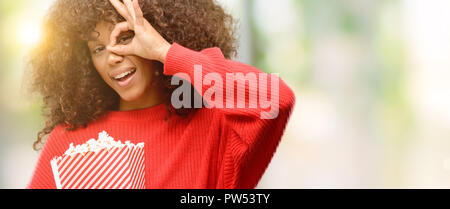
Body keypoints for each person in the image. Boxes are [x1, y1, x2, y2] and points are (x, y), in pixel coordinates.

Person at [26, 0, 296, 189]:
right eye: (97, 49)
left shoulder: (213, 126)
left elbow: (277, 98)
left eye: (124, 37)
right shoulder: (70, 140)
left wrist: (165, 52)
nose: (111, 58)